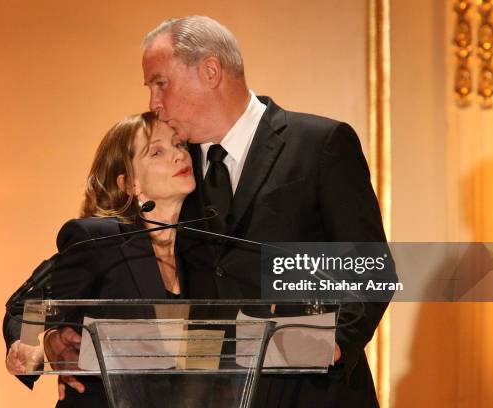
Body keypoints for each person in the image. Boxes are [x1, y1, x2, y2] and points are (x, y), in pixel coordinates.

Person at [141, 16, 392, 407]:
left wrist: (332, 345)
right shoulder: (174, 168)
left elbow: (369, 266)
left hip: (315, 394)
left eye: (160, 83)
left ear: (210, 71)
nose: (154, 103)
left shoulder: (320, 144)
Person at [3, 112, 196, 407]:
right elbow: (29, 306)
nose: (178, 156)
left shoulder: (202, 250)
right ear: (129, 183)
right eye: (157, 151)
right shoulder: (100, 240)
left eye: (179, 145)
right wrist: (30, 345)